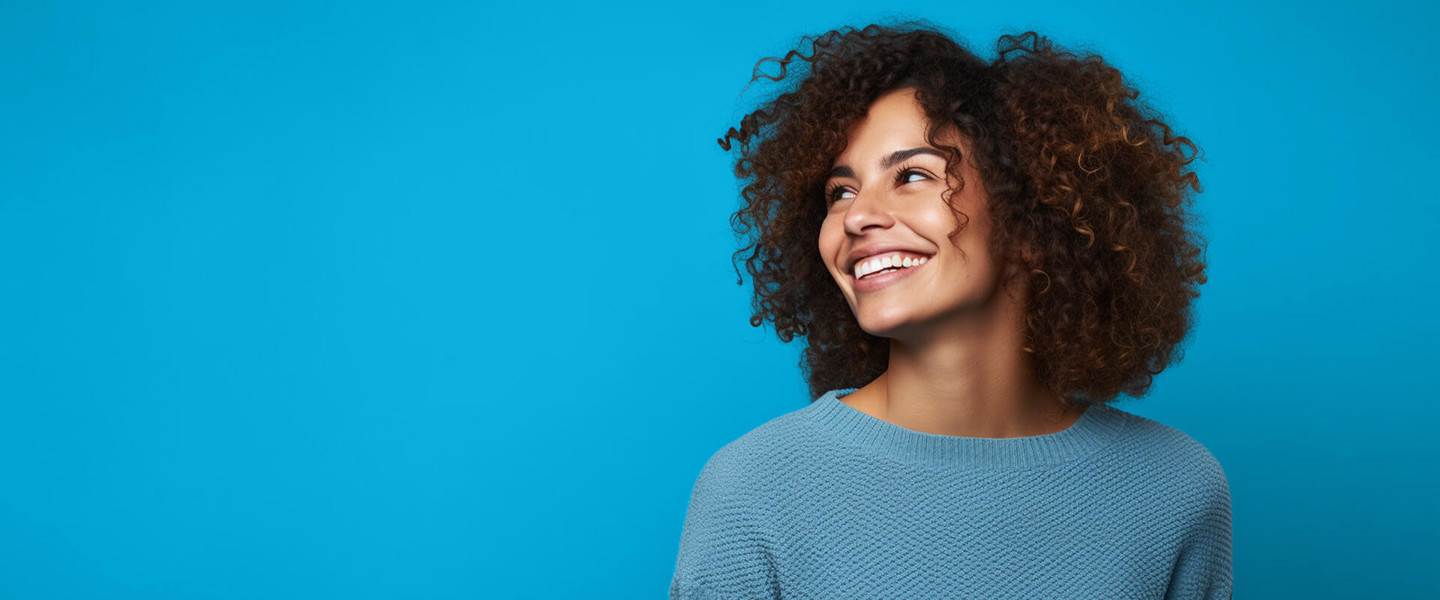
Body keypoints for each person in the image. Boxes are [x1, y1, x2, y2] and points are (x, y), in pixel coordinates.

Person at [670, 19, 1231, 600]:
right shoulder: (753, 491)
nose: (857, 217)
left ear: (1031, 216)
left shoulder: (1176, 489)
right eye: (840, 192)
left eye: (911, 175)